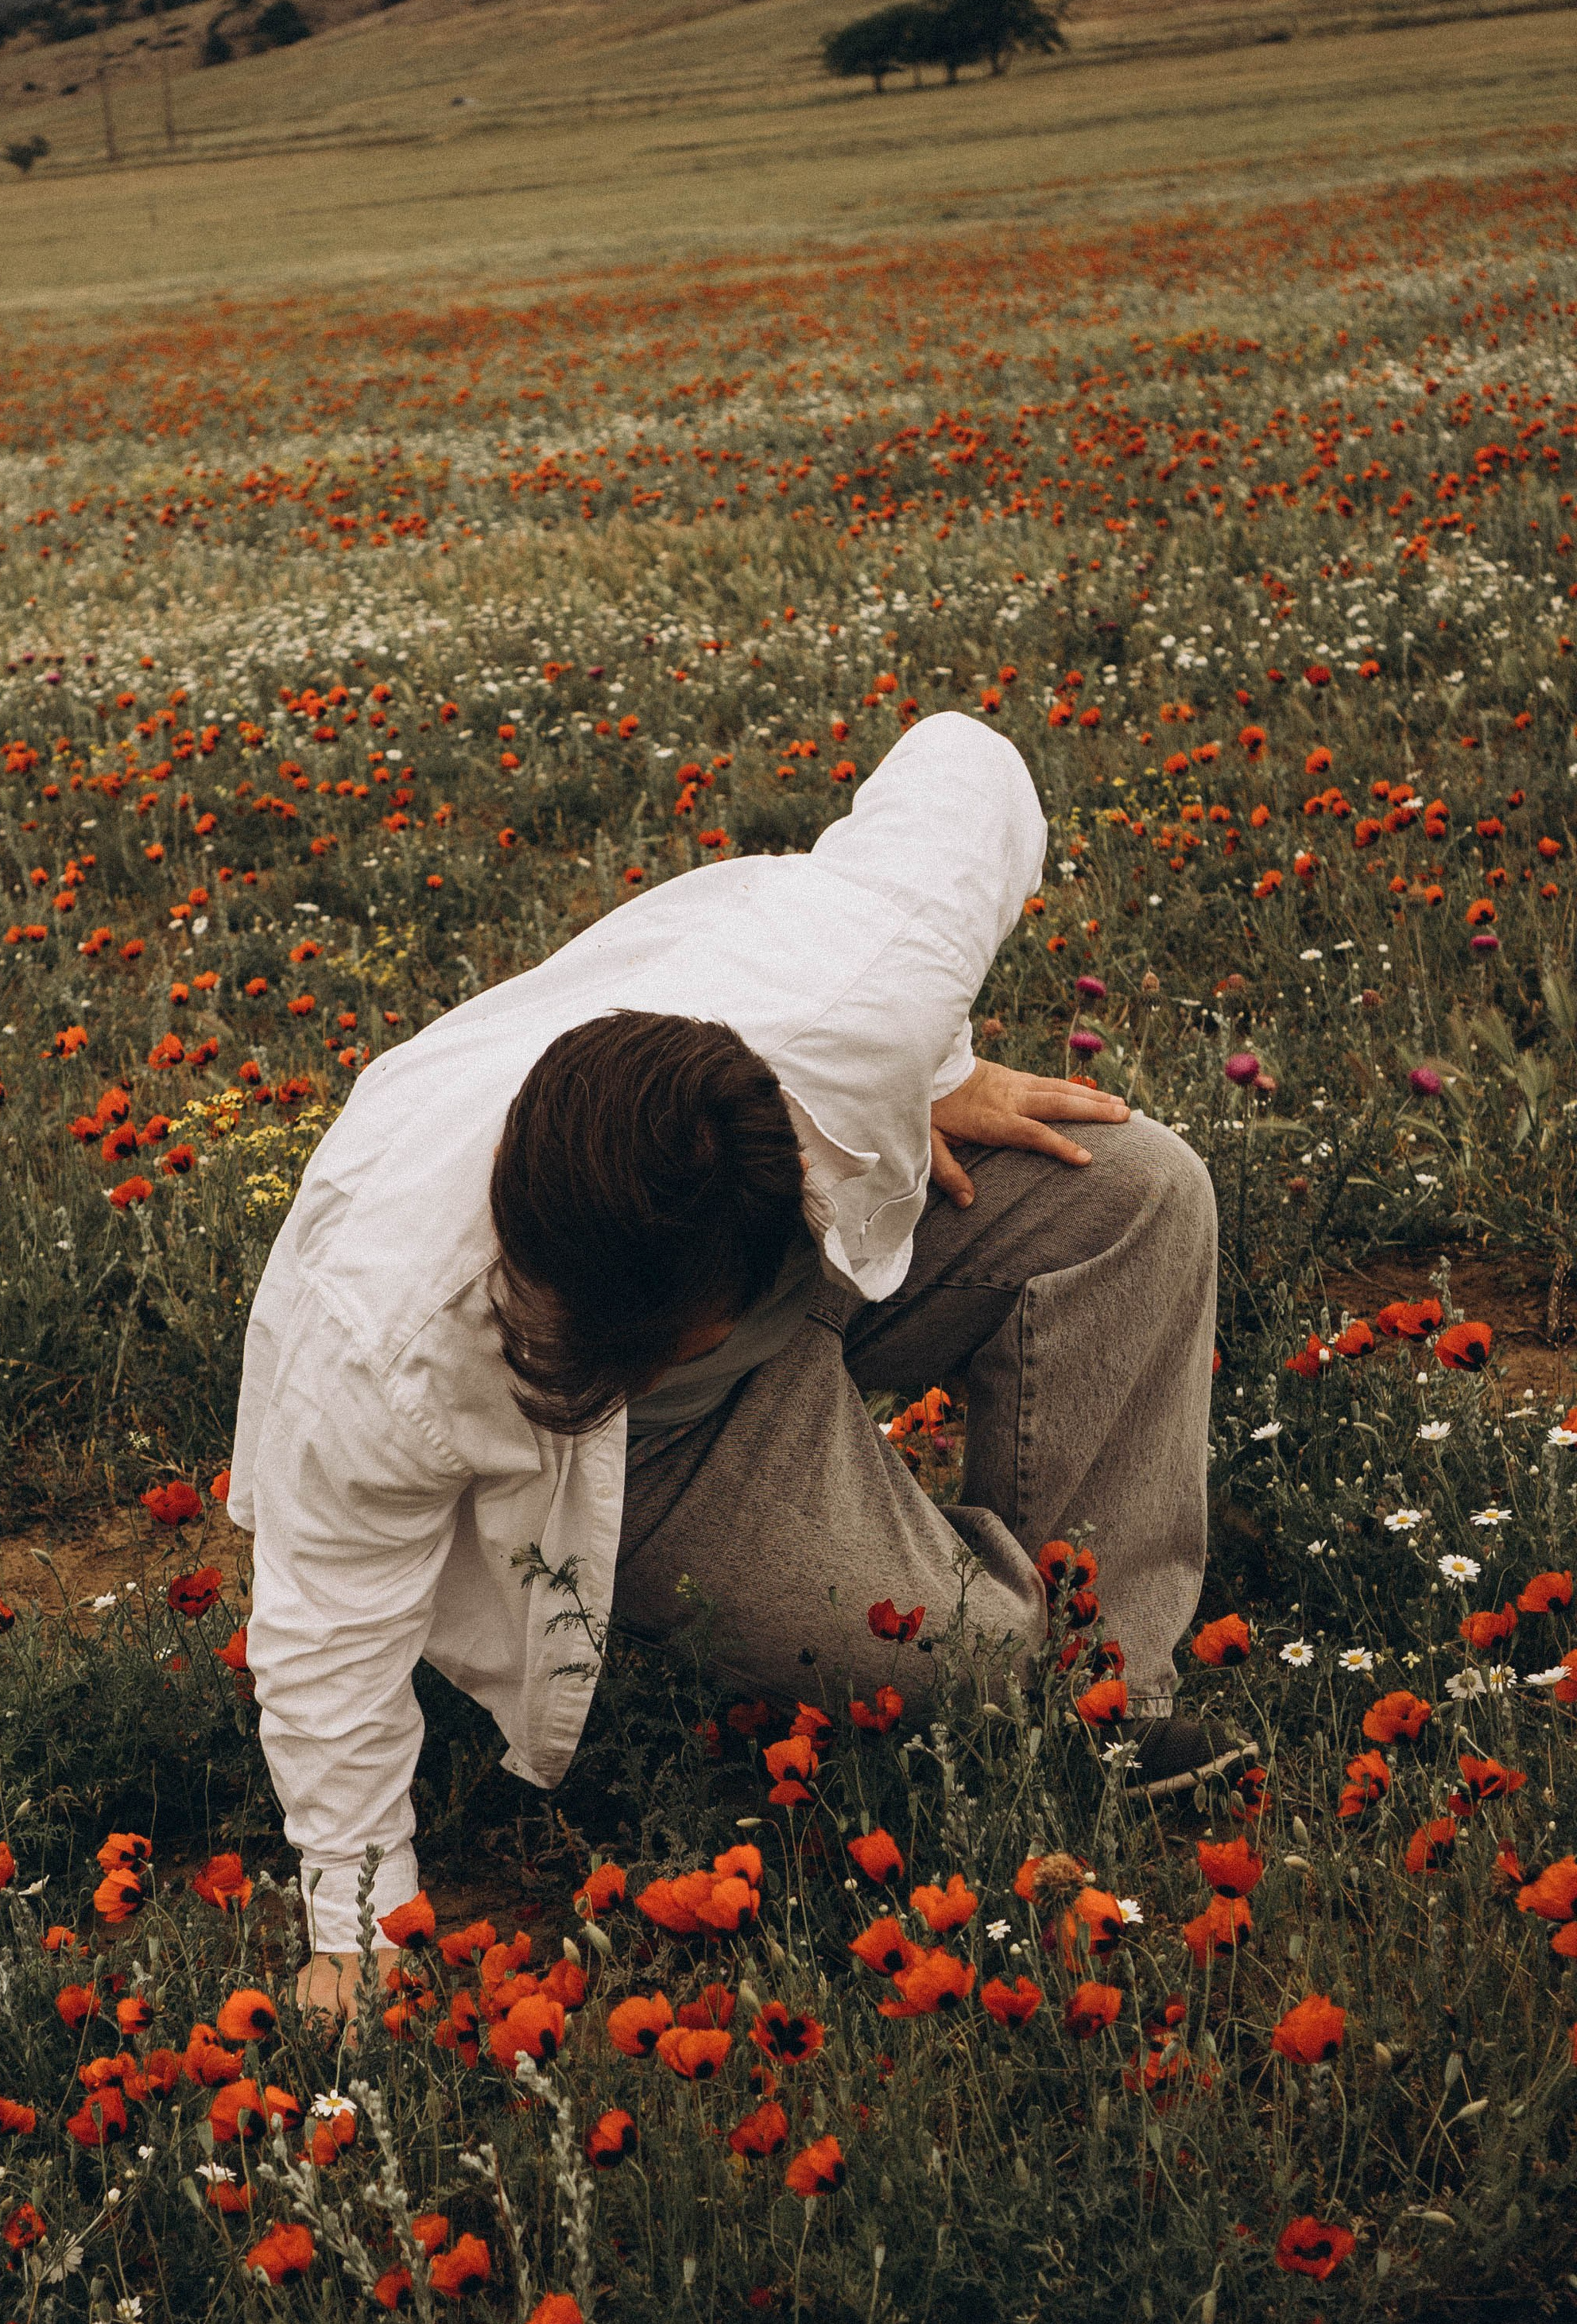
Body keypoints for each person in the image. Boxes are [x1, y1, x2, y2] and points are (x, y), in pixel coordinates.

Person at [227, 709, 1237, 2021]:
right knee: (964, 1664)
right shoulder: (386, 1337)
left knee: (1141, 1192)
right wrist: (353, 1928)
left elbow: (965, 759)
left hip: (795, 1232)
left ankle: (1110, 1688)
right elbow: (327, 1625)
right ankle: (1020, 1671)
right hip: (646, 1444)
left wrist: (931, 1069)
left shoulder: (859, 998)